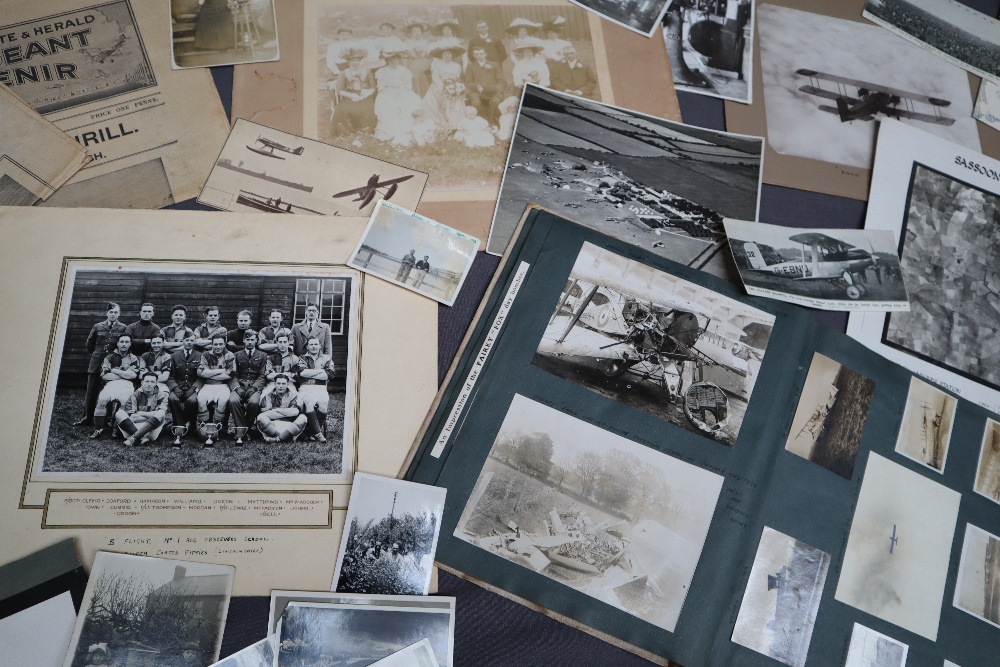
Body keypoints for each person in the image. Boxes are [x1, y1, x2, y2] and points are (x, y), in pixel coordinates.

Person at [76, 301, 127, 428]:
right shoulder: (98, 326)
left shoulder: (123, 328)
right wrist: (97, 354)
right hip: (96, 362)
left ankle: (107, 419)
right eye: (111, 312)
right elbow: (89, 344)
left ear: (119, 314)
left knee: (109, 391)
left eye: (116, 312)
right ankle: (87, 417)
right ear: (107, 313)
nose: (113, 314)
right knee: (91, 391)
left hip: (112, 364)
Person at [90, 334, 140, 439]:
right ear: (118, 343)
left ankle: (116, 428)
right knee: (102, 400)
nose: (124, 344)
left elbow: (133, 375)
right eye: (122, 342)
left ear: (130, 344)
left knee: (125, 401)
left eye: (127, 342)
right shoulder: (109, 357)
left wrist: (114, 370)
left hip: (127, 385)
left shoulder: (134, 358)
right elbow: (105, 375)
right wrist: (125, 374)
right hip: (111, 384)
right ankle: (99, 429)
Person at [374, 49, 422, 146]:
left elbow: (408, 86)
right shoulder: (382, 71)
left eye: (395, 59)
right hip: (387, 92)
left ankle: (407, 131)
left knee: (408, 103)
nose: (393, 61)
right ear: (388, 60)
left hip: (402, 92)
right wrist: (390, 94)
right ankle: (389, 132)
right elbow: (381, 86)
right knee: (388, 104)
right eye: (391, 60)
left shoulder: (405, 71)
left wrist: (400, 93)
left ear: (399, 60)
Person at [228, 329, 268, 443]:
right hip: (239, 385)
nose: (250, 342)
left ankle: (245, 428)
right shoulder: (236, 355)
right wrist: (236, 388)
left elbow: (262, 376)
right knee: (233, 401)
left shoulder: (263, 355)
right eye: (247, 340)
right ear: (243, 340)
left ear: (256, 341)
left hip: (255, 385)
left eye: (252, 340)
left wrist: (254, 388)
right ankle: (242, 430)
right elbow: (233, 375)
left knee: (254, 402)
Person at [196, 336, 236, 444]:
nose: (218, 347)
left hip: (223, 385)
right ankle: (203, 430)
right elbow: (200, 373)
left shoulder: (229, 355)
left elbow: (229, 375)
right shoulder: (205, 354)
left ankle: (216, 430)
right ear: (212, 344)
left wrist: (209, 373)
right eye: (215, 344)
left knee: (223, 400)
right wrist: (221, 370)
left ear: (224, 344)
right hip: (207, 385)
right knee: (200, 399)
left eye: (220, 344)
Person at [115, 372, 169, 447]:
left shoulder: (162, 395)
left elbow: (161, 415)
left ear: (156, 383)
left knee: (161, 413)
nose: (149, 384)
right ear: (142, 382)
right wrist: (152, 417)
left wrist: (140, 413)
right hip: (132, 427)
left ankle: (133, 438)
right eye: (147, 381)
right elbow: (132, 417)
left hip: (151, 430)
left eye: (152, 382)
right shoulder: (134, 395)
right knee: (119, 413)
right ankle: (142, 438)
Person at [297, 337, 336, 442]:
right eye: (311, 345)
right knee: (309, 402)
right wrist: (321, 371)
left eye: (315, 344)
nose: (314, 347)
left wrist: (311, 373)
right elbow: (302, 373)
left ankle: (310, 432)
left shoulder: (326, 358)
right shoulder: (302, 358)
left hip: (321, 388)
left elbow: (330, 375)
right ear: (307, 347)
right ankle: (318, 434)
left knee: (323, 404)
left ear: (320, 346)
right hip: (305, 388)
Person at [167, 331, 202, 443]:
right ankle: (180, 425)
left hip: (192, 386)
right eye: (187, 340)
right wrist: (175, 388)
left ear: (195, 341)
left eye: (192, 340)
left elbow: (201, 377)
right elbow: (170, 376)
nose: (189, 343)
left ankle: (190, 426)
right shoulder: (174, 356)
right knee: (172, 398)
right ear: (183, 341)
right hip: (178, 385)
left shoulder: (200, 355)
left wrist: (193, 388)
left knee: (192, 401)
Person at [333, 48, 376, 136]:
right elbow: (339, 89)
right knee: (341, 110)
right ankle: (346, 133)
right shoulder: (344, 73)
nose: (355, 62)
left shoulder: (367, 71)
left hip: (365, 96)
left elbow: (373, 87)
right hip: (350, 96)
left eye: (357, 60)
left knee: (367, 110)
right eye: (352, 60)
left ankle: (365, 133)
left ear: (361, 61)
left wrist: (364, 95)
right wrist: (351, 95)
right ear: (348, 62)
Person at [256, 374, 308, 442]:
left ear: (287, 385)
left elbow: (295, 412)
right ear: (275, 384)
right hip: (272, 426)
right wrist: (287, 412)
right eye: (278, 383)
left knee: (303, 417)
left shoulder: (294, 396)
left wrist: (275, 409)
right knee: (260, 417)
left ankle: (278, 439)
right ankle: (286, 438)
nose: (281, 386)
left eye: (283, 384)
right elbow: (267, 414)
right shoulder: (267, 396)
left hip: (290, 426)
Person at [423, 43, 465, 128]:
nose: (447, 55)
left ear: (452, 55)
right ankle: (440, 122)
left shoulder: (456, 65)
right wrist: (442, 86)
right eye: (445, 54)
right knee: (433, 99)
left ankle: (453, 122)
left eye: (449, 53)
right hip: (439, 85)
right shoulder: (436, 63)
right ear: (441, 55)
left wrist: (453, 86)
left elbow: (457, 78)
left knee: (457, 96)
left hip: (452, 86)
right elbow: (435, 77)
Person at [464, 45, 505, 123]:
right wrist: (477, 87)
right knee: (476, 102)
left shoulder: (494, 65)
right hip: (477, 92)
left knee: (495, 101)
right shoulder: (470, 66)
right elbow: (468, 82)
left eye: (481, 54)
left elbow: (501, 81)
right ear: (473, 55)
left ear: (485, 54)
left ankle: (492, 121)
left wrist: (495, 90)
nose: (479, 56)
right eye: (476, 54)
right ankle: (484, 121)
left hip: (494, 91)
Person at [403, 18, 432, 97]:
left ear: (422, 32)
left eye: (418, 30)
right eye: (414, 31)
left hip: (425, 63)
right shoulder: (407, 42)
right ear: (411, 33)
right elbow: (406, 56)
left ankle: (426, 100)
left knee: (425, 80)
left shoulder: (426, 41)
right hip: (413, 64)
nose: (416, 33)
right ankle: (416, 99)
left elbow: (429, 55)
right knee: (414, 80)